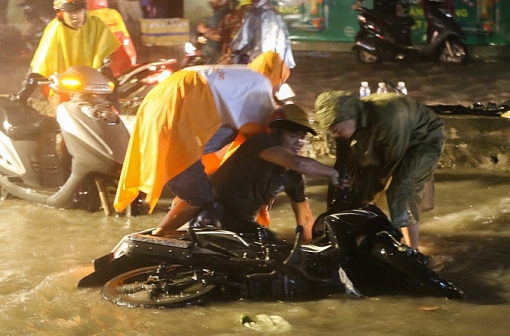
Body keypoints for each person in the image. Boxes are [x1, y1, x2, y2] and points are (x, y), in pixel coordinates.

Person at [114, 51, 291, 235]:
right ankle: (160, 235)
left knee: (193, 182)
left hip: (158, 99)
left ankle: (179, 214)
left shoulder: (240, 76)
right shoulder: (261, 84)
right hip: (180, 105)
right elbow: (264, 138)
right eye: (281, 82)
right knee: (199, 196)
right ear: (276, 77)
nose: (278, 89)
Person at [314, 91, 445, 250]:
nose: (335, 134)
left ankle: (412, 249)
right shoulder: (348, 123)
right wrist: (344, 185)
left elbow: (390, 163)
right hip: (382, 135)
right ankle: (360, 234)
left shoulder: (388, 116)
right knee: (355, 187)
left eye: (336, 130)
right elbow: (344, 161)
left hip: (422, 139)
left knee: (401, 190)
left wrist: (370, 191)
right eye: (331, 131)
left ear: (351, 118)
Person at [208, 103, 341, 243]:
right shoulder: (261, 142)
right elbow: (298, 162)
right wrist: (332, 173)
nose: (299, 142)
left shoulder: (292, 176)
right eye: (293, 135)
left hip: (243, 225)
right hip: (213, 217)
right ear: (277, 132)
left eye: (302, 137)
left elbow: (305, 220)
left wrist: (307, 250)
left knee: (274, 249)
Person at [16, 0, 121, 110]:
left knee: (109, 111)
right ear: (60, 13)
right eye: (70, 12)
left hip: (92, 84)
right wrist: (25, 93)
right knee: (62, 114)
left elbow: (104, 54)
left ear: (85, 10)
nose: (75, 16)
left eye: (79, 11)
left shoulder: (95, 24)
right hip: (64, 86)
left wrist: (110, 78)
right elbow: (40, 63)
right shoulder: (55, 29)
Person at [230, 0, 295, 68]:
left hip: (255, 60)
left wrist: (234, 49)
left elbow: (241, 41)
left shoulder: (253, 14)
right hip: (275, 61)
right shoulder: (276, 14)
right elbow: (284, 39)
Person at [216, 0, 253, 65]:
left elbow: (219, 33)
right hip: (255, 57)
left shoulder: (232, 16)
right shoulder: (262, 17)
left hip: (233, 55)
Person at [197, 0, 231, 64]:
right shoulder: (227, 12)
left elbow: (213, 47)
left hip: (220, 57)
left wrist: (203, 51)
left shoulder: (219, 16)